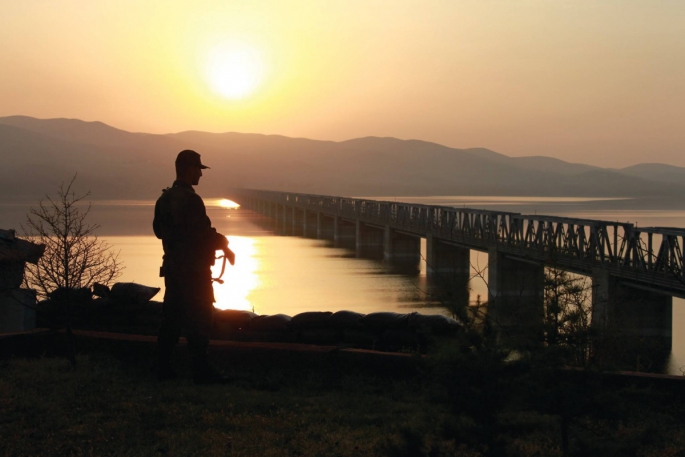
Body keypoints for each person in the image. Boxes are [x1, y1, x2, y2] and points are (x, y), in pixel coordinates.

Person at [153, 149, 234, 384]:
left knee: (171, 321)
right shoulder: (192, 200)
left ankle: (164, 369)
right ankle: (201, 371)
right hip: (195, 272)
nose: (201, 174)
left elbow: (159, 232)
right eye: (199, 169)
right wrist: (225, 244)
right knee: (200, 322)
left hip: (174, 271)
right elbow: (204, 234)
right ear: (190, 170)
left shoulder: (164, 199)